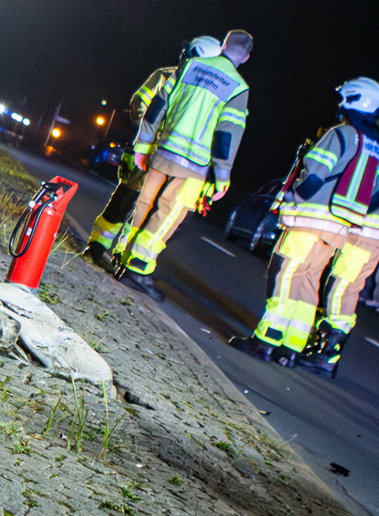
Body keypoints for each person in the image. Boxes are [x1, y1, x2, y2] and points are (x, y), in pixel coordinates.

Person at [229, 77, 379, 367]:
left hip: (309, 218)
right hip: (338, 227)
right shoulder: (372, 145)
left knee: (285, 275)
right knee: (307, 283)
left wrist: (296, 195)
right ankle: (292, 346)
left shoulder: (342, 134)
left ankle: (266, 340)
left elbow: (314, 173)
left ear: (353, 101)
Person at [115, 30, 253, 302]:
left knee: (144, 203)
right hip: (194, 164)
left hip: (163, 149)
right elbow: (227, 134)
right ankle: (139, 268)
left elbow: (157, 106)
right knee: (169, 213)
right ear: (246, 58)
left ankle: (122, 254)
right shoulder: (238, 88)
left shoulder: (191, 66)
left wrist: (142, 145)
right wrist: (222, 176)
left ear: (223, 45)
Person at [85, 36, 223, 270]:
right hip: (149, 153)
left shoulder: (210, 93)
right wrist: (149, 133)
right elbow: (139, 105)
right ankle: (97, 247)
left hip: (173, 162)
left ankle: (123, 257)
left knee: (150, 213)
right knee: (125, 200)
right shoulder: (166, 75)